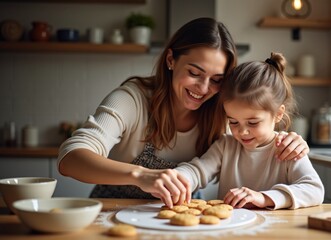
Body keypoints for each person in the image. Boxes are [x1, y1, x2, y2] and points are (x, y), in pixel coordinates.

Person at [57, 17, 310, 208]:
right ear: (171, 60)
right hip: (116, 209)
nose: (203, 89)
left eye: (216, 79)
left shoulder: (224, 112)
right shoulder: (132, 100)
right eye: (194, 73)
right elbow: (70, 159)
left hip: (178, 215)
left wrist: (289, 140)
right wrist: (141, 176)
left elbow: (256, 124)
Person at [173, 52, 324, 209]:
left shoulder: (287, 148)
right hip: (232, 230)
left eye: (252, 123)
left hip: (274, 231)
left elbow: (314, 190)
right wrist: (177, 178)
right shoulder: (225, 146)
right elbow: (198, 171)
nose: (242, 132)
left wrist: (264, 198)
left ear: (278, 114)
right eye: (233, 121)